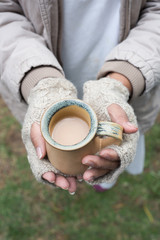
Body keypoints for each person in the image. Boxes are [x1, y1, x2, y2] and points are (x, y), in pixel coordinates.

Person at [0, 1, 160, 195]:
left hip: (128, 63)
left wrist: (121, 80)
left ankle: (101, 178)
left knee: (113, 143)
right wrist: (40, 82)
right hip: (42, 57)